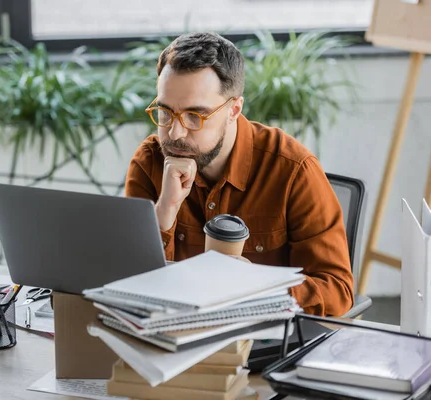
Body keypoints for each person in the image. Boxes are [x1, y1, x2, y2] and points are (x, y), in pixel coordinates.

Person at [124, 32, 353, 316]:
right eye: (165, 112)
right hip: (171, 342)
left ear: (233, 109)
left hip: (262, 348)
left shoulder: (294, 169)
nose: (175, 133)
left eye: (195, 116)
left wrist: (255, 288)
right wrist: (164, 212)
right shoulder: (149, 163)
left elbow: (337, 290)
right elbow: (128, 288)